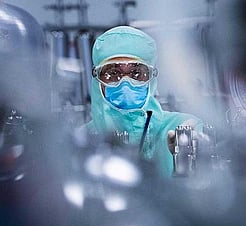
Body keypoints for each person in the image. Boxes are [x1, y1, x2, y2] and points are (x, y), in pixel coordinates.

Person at [86, 25, 203, 176]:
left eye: (137, 73)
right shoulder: (85, 140)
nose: (125, 83)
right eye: (113, 73)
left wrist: (186, 156)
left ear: (152, 77)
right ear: (97, 78)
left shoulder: (179, 127)